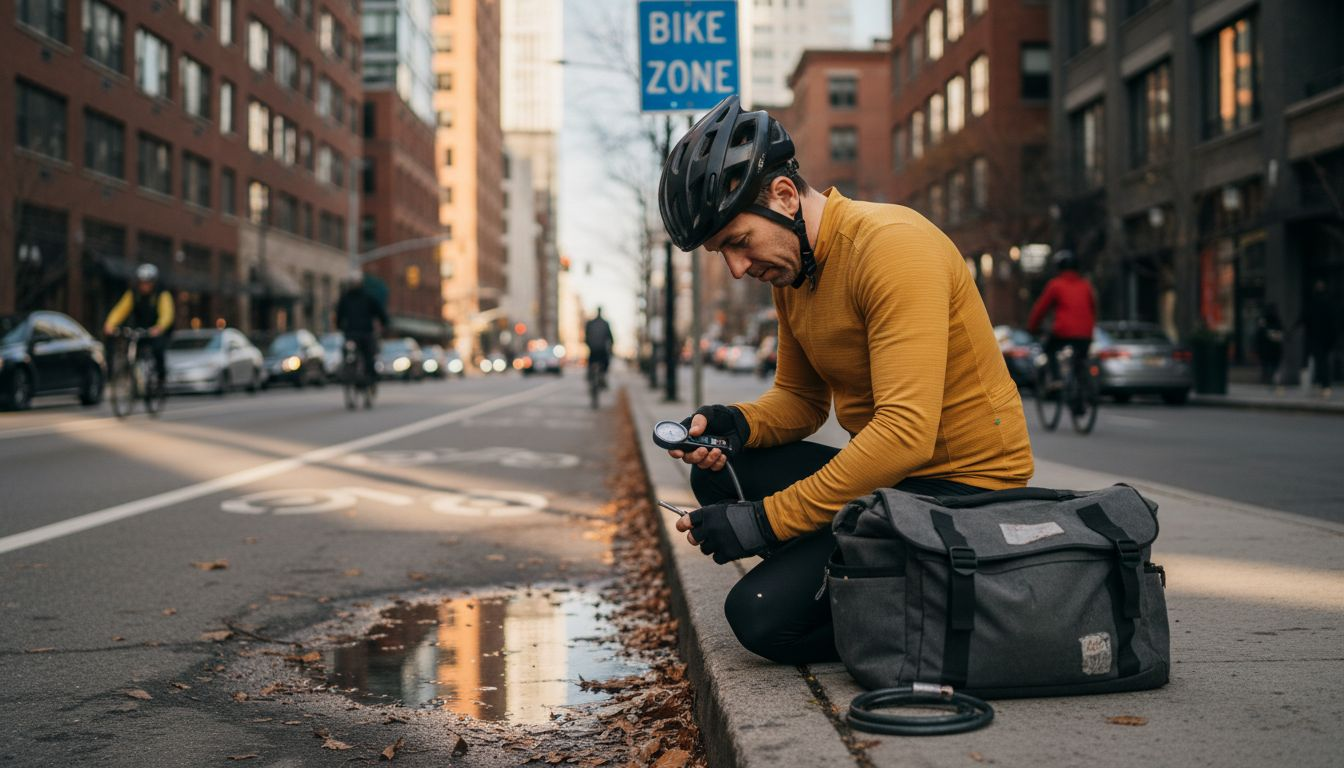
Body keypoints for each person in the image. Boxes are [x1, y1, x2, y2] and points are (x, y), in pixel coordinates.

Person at [656, 95, 1033, 664]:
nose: (737, 267)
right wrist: (734, 424)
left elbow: (906, 433)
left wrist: (767, 522)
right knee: (722, 475)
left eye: (738, 241)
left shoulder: (891, 247)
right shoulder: (794, 274)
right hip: (894, 488)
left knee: (759, 619)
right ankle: (857, 572)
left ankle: (949, 594)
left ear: (783, 197)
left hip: (965, 495)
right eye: (721, 253)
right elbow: (801, 402)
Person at [1027, 250, 1097, 402]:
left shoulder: (1056, 285)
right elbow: (1093, 308)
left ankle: (1057, 379)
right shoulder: (1085, 285)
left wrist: (1032, 326)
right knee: (1080, 359)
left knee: (1049, 349)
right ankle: (1082, 388)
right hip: (1086, 333)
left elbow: (1041, 308)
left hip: (1064, 331)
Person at [103, 263, 175, 388]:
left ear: (153, 283)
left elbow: (167, 313)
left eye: (147, 282)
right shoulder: (133, 294)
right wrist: (110, 324)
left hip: (156, 330)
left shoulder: (162, 294)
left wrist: (160, 327)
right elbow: (121, 309)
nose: (144, 285)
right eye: (142, 282)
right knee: (131, 347)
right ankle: (136, 381)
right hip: (139, 328)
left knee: (158, 350)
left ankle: (160, 377)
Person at [334, 270, 388, 384]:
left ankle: (371, 376)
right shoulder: (346, 299)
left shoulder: (366, 298)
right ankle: (349, 372)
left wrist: (384, 322)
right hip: (354, 334)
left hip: (363, 333)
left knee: (369, 355)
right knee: (348, 352)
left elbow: (379, 312)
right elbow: (339, 315)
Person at [1303, 279, 1337, 398]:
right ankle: (1324, 384)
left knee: (1321, 362)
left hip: (1321, 338)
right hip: (1321, 338)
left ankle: (1324, 384)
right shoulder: (1323, 302)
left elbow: (1305, 318)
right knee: (1323, 362)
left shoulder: (1320, 302)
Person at [1254, 303, 1284, 389]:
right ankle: (1271, 380)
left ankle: (1267, 380)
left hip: (1266, 349)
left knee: (1267, 365)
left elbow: (1259, 335)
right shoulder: (1276, 321)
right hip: (1273, 349)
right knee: (1273, 366)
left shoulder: (1264, 322)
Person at [584, 307, 614, 389]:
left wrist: (588, 344)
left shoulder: (590, 323)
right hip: (602, 350)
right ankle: (602, 376)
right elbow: (610, 338)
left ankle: (590, 375)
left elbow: (586, 337)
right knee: (605, 363)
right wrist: (611, 348)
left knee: (591, 362)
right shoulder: (605, 323)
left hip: (593, 350)